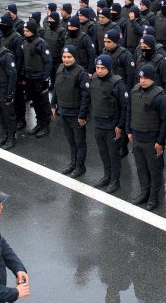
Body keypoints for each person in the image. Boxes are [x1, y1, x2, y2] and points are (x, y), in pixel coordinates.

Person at [126, 64, 166, 211]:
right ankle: (144, 192)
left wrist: (160, 142)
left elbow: (165, 121)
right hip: (137, 137)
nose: (142, 80)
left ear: (152, 78)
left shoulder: (160, 97)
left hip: (152, 140)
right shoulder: (134, 91)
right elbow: (129, 111)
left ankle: (153, 196)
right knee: (141, 168)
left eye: (145, 78)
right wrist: (129, 130)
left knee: (155, 169)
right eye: (140, 77)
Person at [51, 45, 91, 178]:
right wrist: (53, 104)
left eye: (69, 57)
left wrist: (82, 115)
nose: (66, 60)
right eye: (64, 57)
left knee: (80, 142)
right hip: (63, 111)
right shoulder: (60, 69)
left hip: (76, 114)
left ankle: (80, 166)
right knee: (71, 140)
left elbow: (86, 97)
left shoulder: (81, 74)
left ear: (74, 57)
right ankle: (73, 162)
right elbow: (56, 87)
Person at [90, 54, 127, 192]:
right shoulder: (93, 79)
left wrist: (120, 125)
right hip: (98, 123)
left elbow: (124, 107)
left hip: (112, 126)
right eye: (97, 67)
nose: (99, 70)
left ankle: (115, 180)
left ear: (109, 68)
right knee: (103, 152)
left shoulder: (117, 84)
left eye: (102, 68)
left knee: (113, 154)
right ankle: (107, 175)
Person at [21, 20, 53, 138]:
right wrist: (24, 75)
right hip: (30, 78)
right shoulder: (25, 43)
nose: (25, 33)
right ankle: (39, 123)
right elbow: (25, 60)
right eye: (24, 30)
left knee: (43, 103)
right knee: (35, 102)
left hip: (39, 78)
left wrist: (45, 79)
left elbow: (48, 61)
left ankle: (45, 126)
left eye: (27, 31)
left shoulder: (41, 44)